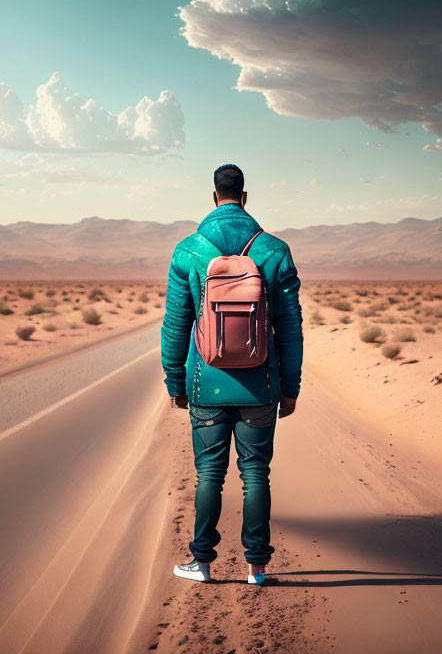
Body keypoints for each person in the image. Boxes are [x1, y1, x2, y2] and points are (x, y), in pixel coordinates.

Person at [160, 163, 304, 585]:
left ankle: (202, 563)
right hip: (261, 385)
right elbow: (291, 327)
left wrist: (175, 381)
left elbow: (174, 323)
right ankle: (257, 567)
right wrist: (290, 387)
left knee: (209, 473)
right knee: (256, 473)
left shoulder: (188, 250)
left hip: (205, 382)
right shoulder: (274, 250)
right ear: (244, 197)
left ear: (213, 197)